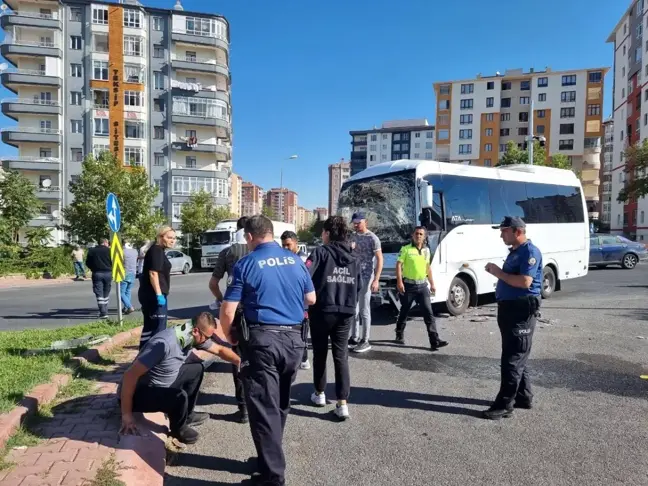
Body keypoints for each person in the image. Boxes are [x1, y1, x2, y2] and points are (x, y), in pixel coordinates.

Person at [220, 215, 316, 486]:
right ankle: (267, 458)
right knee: (280, 403)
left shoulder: (246, 263)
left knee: (263, 406)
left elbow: (227, 310)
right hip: (295, 341)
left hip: (263, 341)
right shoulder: (295, 260)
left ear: (250, 237)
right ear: (271, 234)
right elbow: (311, 298)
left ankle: (272, 477)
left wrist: (231, 338)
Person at [119, 312, 241, 444]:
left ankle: (187, 415)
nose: (208, 341)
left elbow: (220, 350)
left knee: (197, 369)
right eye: (207, 337)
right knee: (179, 396)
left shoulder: (190, 335)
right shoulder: (163, 345)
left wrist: (241, 362)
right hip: (141, 393)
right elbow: (129, 376)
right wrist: (126, 415)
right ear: (195, 331)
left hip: (163, 383)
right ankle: (178, 429)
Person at [483, 216, 542, 420]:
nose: (501, 234)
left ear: (517, 231)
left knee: (512, 359)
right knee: (516, 354)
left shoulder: (530, 252)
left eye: (504, 231)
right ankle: (523, 396)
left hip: (521, 310)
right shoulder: (516, 252)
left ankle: (504, 404)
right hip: (509, 309)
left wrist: (498, 272)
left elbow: (525, 281)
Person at [305, 216, 361, 420]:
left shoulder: (320, 252)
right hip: (345, 312)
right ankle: (342, 403)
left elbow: (304, 275)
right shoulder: (354, 257)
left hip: (322, 310)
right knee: (341, 356)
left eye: (323, 232)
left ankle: (319, 394)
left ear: (328, 233)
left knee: (320, 353)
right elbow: (359, 286)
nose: (322, 235)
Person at [208, 216, 250, 424]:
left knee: (238, 359)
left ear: (237, 229)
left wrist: (221, 300)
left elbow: (213, 283)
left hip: (235, 312)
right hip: (259, 313)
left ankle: (243, 410)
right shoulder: (259, 251)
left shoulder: (227, 252)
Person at [394, 227, 448, 351]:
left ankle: (434, 340)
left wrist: (432, 284)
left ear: (424, 237)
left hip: (423, 286)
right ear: (413, 235)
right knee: (405, 310)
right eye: (416, 234)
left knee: (428, 313)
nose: (418, 236)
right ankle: (399, 332)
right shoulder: (406, 249)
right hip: (409, 286)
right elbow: (398, 265)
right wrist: (399, 281)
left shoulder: (426, 251)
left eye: (421, 234)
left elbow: (427, 268)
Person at [349, 212, 383, 353]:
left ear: (365, 222)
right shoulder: (353, 236)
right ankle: (354, 337)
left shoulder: (372, 238)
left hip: (366, 277)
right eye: (354, 223)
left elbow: (380, 259)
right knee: (353, 309)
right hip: (353, 276)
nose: (356, 225)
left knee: (364, 310)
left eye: (358, 222)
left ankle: (365, 340)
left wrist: (376, 279)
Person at [138, 226, 175, 350]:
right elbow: (153, 273)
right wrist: (159, 294)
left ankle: (143, 356)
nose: (172, 240)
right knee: (158, 328)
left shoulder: (156, 250)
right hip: (154, 295)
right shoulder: (157, 250)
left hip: (149, 294)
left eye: (174, 238)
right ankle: (153, 358)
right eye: (169, 237)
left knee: (149, 327)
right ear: (161, 237)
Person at [280, 230, 310, 370]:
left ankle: (304, 358)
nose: (285, 248)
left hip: (302, 302)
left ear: (295, 243)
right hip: (288, 301)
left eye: (288, 245)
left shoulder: (303, 259)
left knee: (301, 330)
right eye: (283, 245)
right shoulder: (284, 259)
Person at [85, 239, 112, 319]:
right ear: (105, 243)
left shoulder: (92, 251)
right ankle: (105, 309)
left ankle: (103, 312)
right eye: (108, 243)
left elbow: (88, 263)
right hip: (108, 273)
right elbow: (114, 261)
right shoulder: (110, 251)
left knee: (99, 292)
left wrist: (93, 268)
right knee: (106, 291)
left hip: (97, 273)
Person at [121, 242, 138, 315]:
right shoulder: (135, 251)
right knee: (128, 291)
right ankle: (126, 307)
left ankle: (130, 306)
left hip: (125, 273)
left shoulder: (122, 251)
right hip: (133, 273)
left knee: (121, 293)